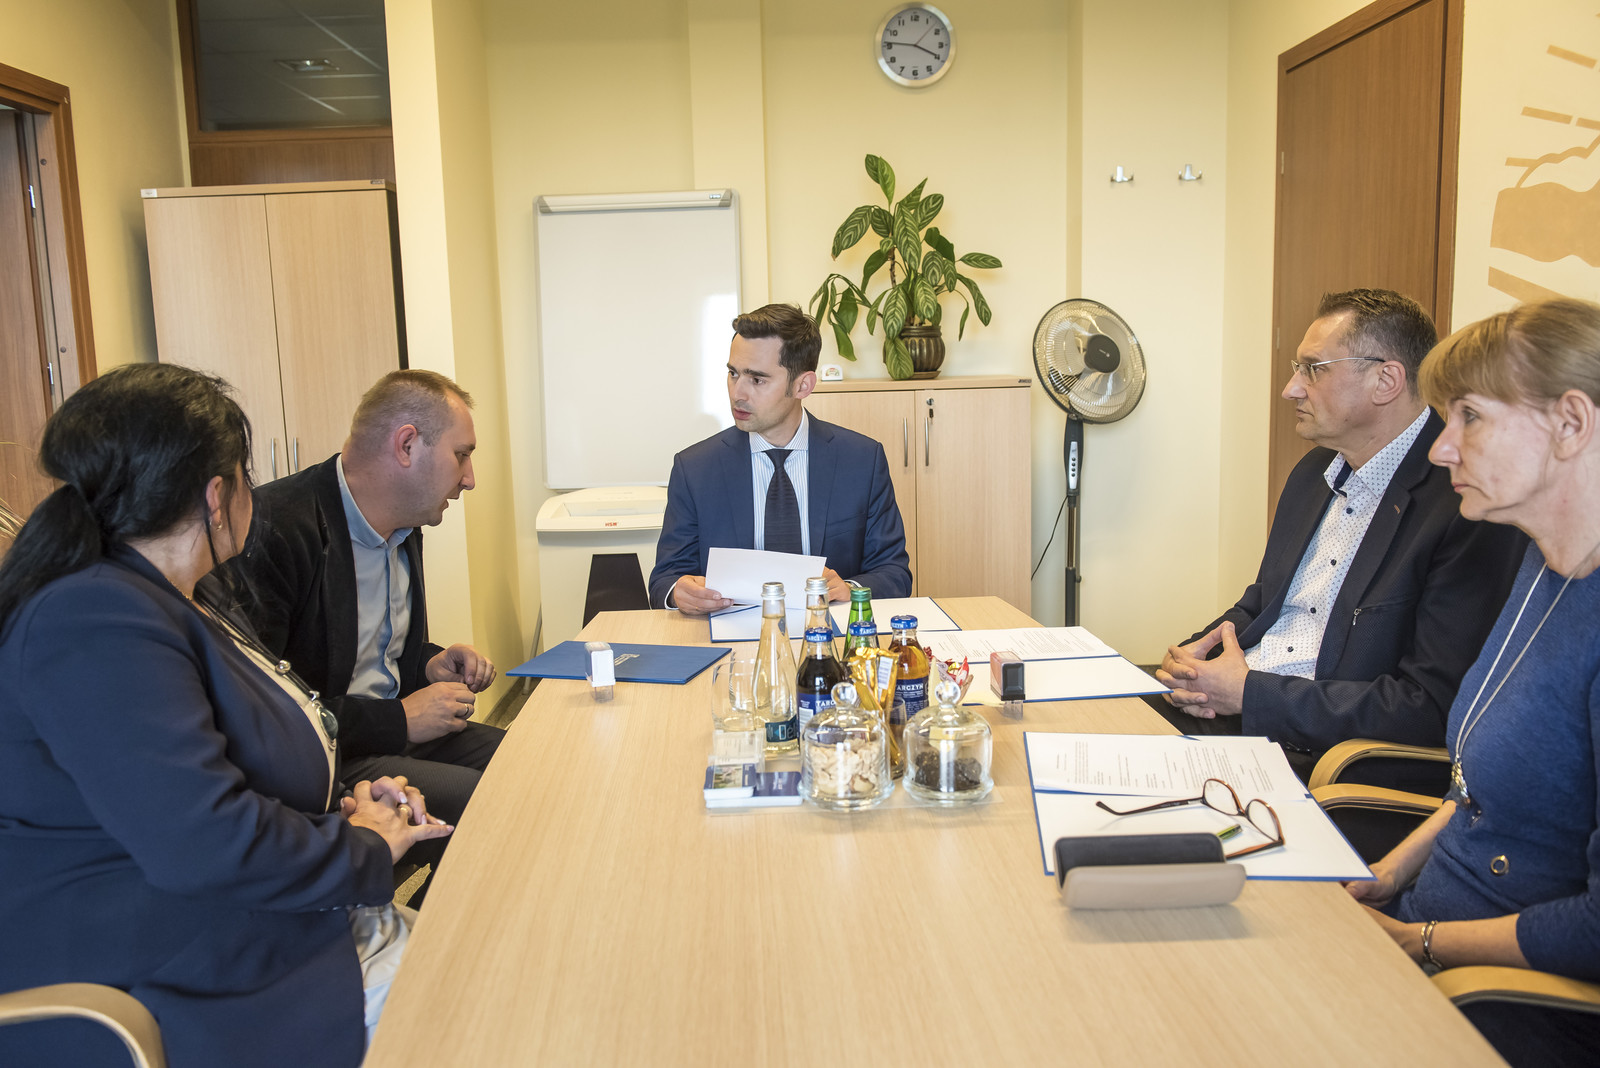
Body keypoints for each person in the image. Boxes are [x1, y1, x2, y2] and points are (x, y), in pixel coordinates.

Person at [0, 364, 451, 1068]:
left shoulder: (180, 599)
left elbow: (222, 778)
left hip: (247, 919)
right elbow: (202, 839)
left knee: (479, 959)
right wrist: (362, 845)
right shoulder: (94, 617)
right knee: (477, 1000)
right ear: (217, 495)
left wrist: (347, 812)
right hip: (173, 965)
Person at [1349, 297, 1600, 1067]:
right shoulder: (1540, 563)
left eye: (1471, 417)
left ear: (1570, 423)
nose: (1440, 447)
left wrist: (1418, 942)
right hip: (1424, 928)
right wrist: (1388, 873)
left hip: (1504, 1003)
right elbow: (1476, 788)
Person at [1154, 289, 1526, 778]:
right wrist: (1193, 662)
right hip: (1238, 709)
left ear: (1385, 380)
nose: (1290, 389)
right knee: (1083, 718)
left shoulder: (1466, 503)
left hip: (1316, 751)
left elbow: (1428, 706)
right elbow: (1263, 604)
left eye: (1313, 369)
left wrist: (1250, 694)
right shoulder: (1313, 473)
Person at [212, 370, 501, 903]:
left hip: (392, 730)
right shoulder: (276, 531)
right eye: (462, 455)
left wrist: (429, 662)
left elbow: (369, 652)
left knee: (530, 762)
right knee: (494, 801)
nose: (470, 479)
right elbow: (265, 711)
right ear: (407, 445)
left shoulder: (406, 525)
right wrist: (400, 719)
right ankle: (432, 938)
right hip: (335, 755)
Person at [649, 304, 912, 612]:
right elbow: (665, 580)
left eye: (757, 379)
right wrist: (679, 593)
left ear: (803, 385)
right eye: (733, 373)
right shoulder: (695, 468)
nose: (737, 393)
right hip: (727, 630)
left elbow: (894, 573)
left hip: (827, 629)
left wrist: (849, 588)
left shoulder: (861, 460)